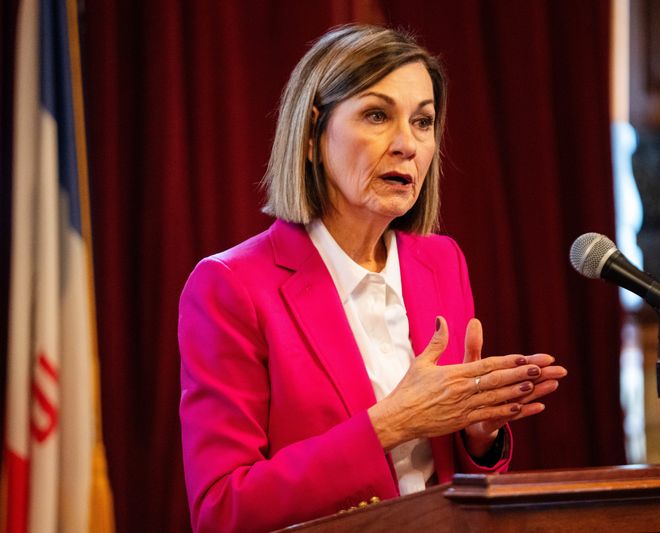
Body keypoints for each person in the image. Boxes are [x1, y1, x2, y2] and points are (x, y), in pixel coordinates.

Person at [178, 24, 567, 532]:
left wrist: (477, 434)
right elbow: (221, 510)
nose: (408, 144)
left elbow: (446, 475)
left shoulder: (441, 261)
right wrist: (391, 424)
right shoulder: (231, 286)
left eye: (424, 122)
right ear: (314, 135)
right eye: (378, 115)